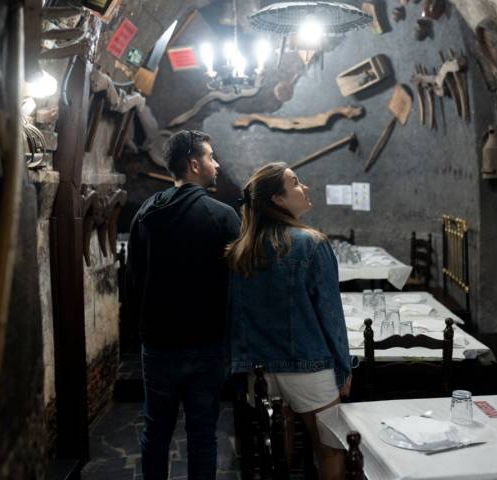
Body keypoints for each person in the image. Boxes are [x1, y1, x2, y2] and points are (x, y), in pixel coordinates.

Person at [126, 130, 240, 480]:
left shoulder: (145, 213)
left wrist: (143, 333)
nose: (216, 163)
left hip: (158, 344)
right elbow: (239, 285)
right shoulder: (223, 217)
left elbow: (132, 281)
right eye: (210, 157)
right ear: (194, 164)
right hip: (206, 344)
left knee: (155, 432)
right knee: (203, 436)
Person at [225, 162, 351, 479]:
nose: (304, 188)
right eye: (295, 183)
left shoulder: (242, 249)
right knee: (331, 449)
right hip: (308, 365)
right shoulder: (312, 244)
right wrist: (344, 367)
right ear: (278, 200)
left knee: (278, 453)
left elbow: (236, 318)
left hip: (260, 372)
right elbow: (331, 315)